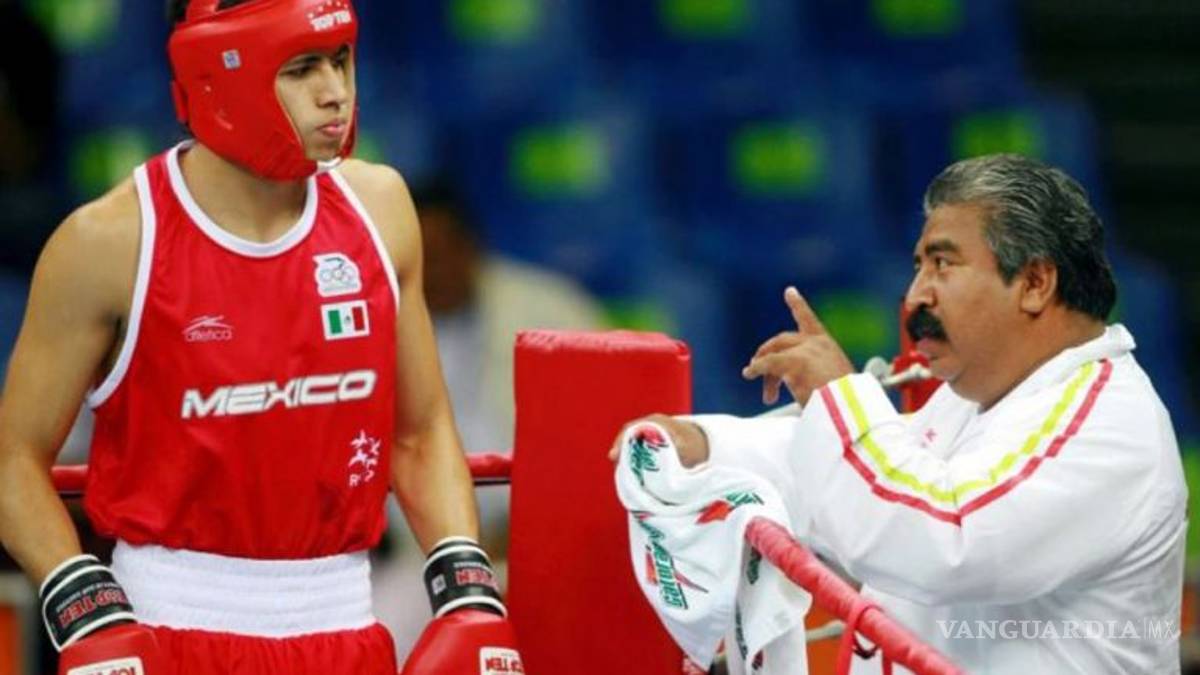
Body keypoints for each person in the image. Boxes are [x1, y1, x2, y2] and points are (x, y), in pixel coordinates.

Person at [0, 1, 523, 673]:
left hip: (348, 625)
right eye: (302, 68)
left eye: (340, 60)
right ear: (219, 74)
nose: (335, 92)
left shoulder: (382, 210)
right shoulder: (110, 243)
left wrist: (468, 591)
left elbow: (419, 433)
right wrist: (83, 603)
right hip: (168, 626)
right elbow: (12, 459)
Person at [616, 154, 1187, 673]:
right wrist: (706, 447)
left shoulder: (1108, 425)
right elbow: (853, 480)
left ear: (1035, 283)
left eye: (943, 264)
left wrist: (838, 394)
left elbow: (939, 542)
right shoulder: (985, 397)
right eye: (919, 266)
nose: (915, 295)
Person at [373, 177, 607, 656]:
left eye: (444, 253)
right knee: (383, 623)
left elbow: (600, 438)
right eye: (422, 257)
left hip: (544, 543)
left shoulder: (550, 307)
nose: (435, 271)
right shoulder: (370, 320)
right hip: (423, 556)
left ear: (472, 246)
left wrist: (524, 532)